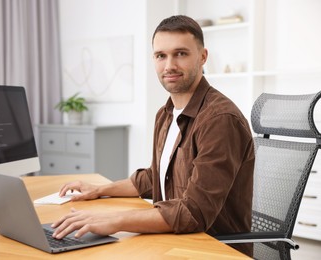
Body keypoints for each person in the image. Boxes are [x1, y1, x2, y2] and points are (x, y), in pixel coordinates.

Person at [51, 15, 255, 257]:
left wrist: (115, 221)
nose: (169, 65)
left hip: (212, 248)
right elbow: (155, 176)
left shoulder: (219, 120)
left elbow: (193, 214)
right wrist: (98, 190)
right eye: (161, 55)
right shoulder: (166, 113)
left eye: (180, 53)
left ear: (202, 57)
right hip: (176, 240)